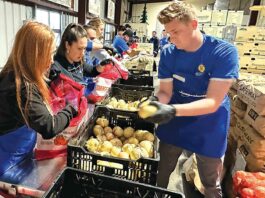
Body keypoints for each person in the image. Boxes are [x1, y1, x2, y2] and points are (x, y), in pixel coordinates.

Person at [140, 2, 239, 198]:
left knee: (210, 181)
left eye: (175, 31)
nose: (171, 37)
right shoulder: (169, 52)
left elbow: (212, 102)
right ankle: (158, 194)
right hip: (176, 121)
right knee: (163, 170)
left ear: (194, 24)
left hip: (209, 123)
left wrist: (171, 111)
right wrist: (155, 102)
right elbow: (166, 92)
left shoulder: (223, 53)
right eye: (168, 32)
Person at [0, 21, 77, 176]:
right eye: (48, 54)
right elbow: (49, 126)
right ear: (34, 55)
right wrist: (71, 109)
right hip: (8, 163)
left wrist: (52, 81)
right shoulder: (22, 87)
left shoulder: (12, 73)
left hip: (18, 154)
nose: (51, 60)